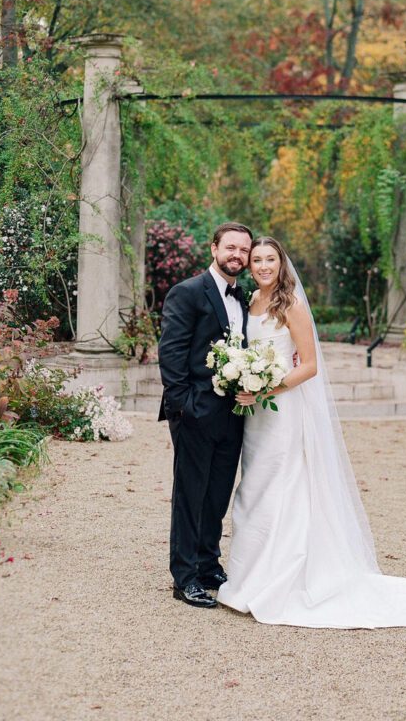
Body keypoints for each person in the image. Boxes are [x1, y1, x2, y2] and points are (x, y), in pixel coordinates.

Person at [217, 235, 406, 628]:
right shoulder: (249, 302)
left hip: (282, 409)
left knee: (283, 485)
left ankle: (283, 579)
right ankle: (248, 575)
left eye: (269, 259)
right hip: (255, 414)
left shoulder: (289, 305)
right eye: (256, 259)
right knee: (254, 486)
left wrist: (264, 388)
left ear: (281, 264)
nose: (261, 266)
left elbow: (309, 365)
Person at [158, 222, 253, 608]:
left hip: (233, 413)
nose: (237, 255)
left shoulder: (243, 296)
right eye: (231, 247)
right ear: (214, 248)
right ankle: (184, 577)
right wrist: (185, 407)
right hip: (196, 412)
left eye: (243, 250)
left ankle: (208, 562)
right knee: (190, 494)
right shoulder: (188, 292)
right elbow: (171, 354)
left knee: (216, 495)